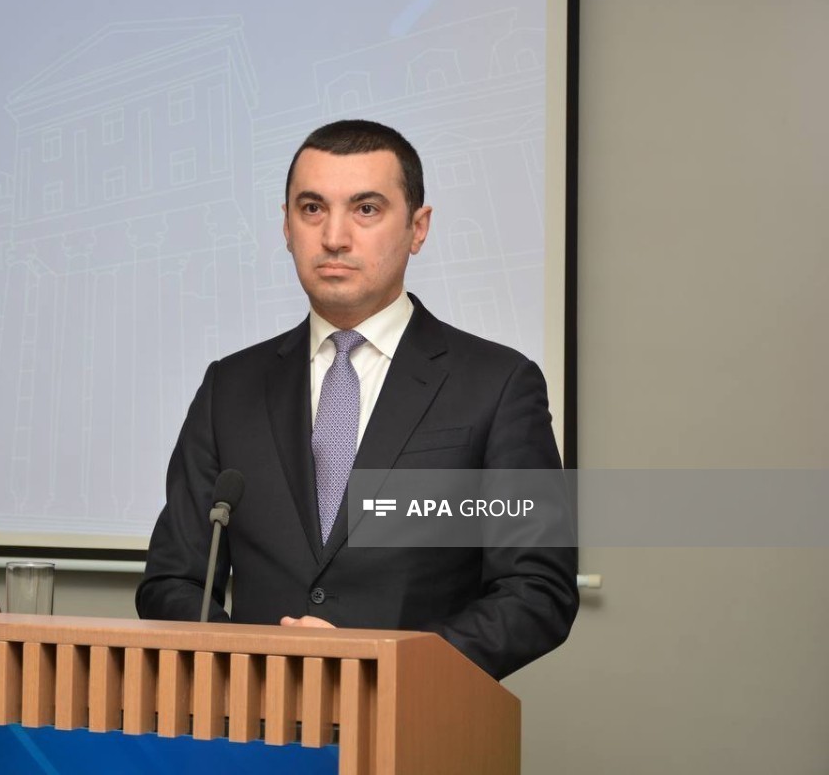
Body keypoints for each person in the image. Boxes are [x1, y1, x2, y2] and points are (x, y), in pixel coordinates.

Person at [136, 119, 577, 680]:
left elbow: (538, 591)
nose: (334, 237)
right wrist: (248, 662)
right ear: (287, 226)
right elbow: (173, 581)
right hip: (251, 717)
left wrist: (379, 664)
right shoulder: (230, 387)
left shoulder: (498, 385)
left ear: (418, 228)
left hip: (412, 716)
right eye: (312, 209)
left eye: (366, 209)